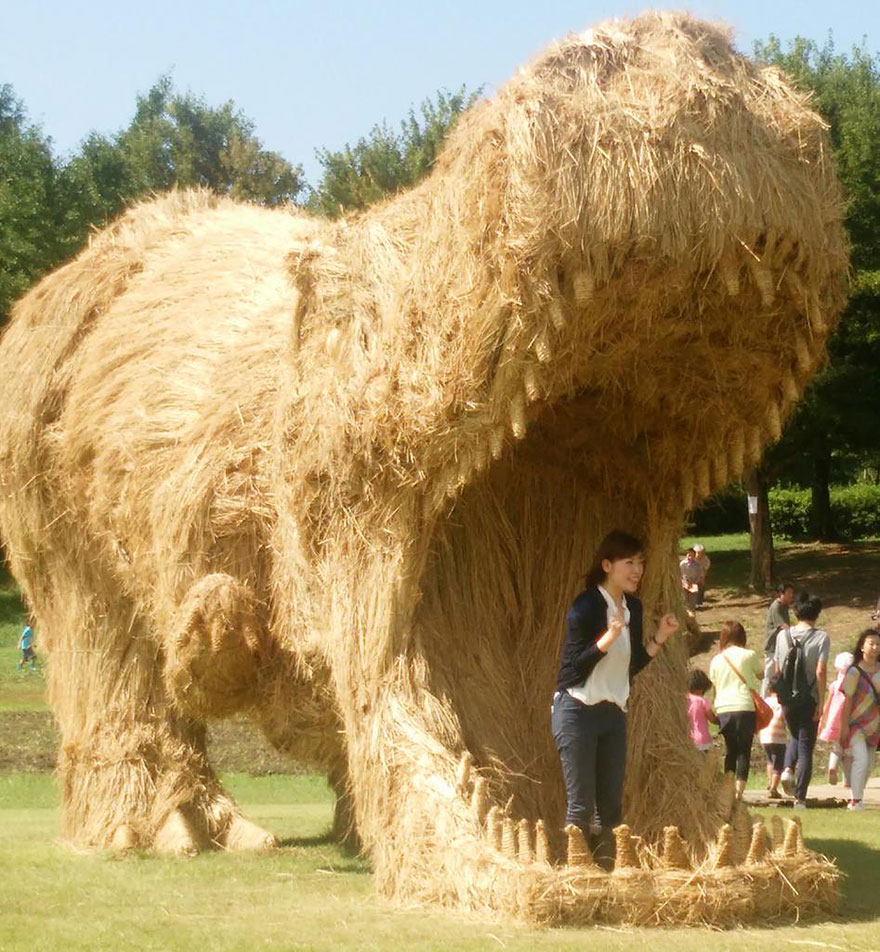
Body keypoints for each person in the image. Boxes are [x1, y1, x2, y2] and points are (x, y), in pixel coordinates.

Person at [552, 530, 680, 866]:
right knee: (580, 803)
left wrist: (659, 639)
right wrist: (608, 637)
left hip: (613, 714)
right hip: (577, 709)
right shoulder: (587, 605)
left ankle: (608, 874)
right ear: (607, 565)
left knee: (609, 807)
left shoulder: (632, 607)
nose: (637, 570)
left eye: (640, 563)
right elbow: (572, 668)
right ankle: (578, 877)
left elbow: (631, 666)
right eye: (629, 562)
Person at [773, 592, 830, 809]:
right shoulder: (821, 637)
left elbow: (778, 668)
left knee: (795, 735)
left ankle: (788, 769)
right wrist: (821, 701)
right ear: (817, 612)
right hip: (809, 698)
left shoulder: (782, 636)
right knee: (806, 744)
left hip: (787, 698)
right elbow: (821, 670)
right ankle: (800, 798)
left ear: (795, 611)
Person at [709, 620, 764, 800]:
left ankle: (728, 790)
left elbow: (715, 687)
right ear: (742, 636)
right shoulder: (749, 655)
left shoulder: (717, 659)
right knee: (744, 750)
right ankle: (739, 792)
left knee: (731, 749)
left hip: (724, 708)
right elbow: (760, 674)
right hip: (745, 706)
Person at [839, 629, 880, 811]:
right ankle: (856, 800)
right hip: (856, 724)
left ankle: (857, 796)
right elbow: (847, 700)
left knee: (869, 764)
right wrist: (843, 727)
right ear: (862, 647)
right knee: (861, 760)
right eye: (871, 643)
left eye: (877, 644)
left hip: (875, 724)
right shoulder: (854, 671)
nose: (875, 647)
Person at [818, 651, 855, 786]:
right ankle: (848, 780)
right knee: (848, 751)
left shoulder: (835, 685)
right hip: (849, 719)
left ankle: (832, 767)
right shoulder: (853, 684)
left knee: (836, 747)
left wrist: (824, 717)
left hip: (835, 719)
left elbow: (828, 703)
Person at [762, 581, 795, 696]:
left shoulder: (784, 606)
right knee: (769, 675)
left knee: (778, 674)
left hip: (779, 646)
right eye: (789, 593)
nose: (791, 595)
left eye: (792, 593)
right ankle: (764, 698)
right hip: (772, 647)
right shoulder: (776, 606)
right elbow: (783, 626)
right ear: (781, 593)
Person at [758, 689, 788, 798]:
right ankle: (774, 788)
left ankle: (770, 782)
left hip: (764, 734)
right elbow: (785, 717)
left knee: (770, 760)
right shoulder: (782, 702)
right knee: (778, 762)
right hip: (778, 736)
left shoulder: (765, 701)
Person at [687, 668, 717, 752]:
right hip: (702, 740)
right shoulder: (702, 701)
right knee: (701, 763)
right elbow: (712, 719)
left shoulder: (683, 700)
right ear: (702, 687)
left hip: (687, 739)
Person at [679, 548, 702, 612]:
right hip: (684, 584)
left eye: (691, 556)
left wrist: (694, 582)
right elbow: (680, 574)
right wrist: (684, 583)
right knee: (684, 601)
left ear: (694, 556)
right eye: (688, 555)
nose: (690, 557)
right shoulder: (682, 564)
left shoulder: (697, 565)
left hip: (693, 584)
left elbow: (699, 575)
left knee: (692, 601)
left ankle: (692, 615)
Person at [693, 543, 711, 608]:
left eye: (701, 553)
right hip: (690, 575)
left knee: (701, 585)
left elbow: (704, 571)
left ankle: (699, 602)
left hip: (700, 575)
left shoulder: (706, 560)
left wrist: (701, 578)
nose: (699, 555)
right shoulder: (690, 559)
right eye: (697, 553)